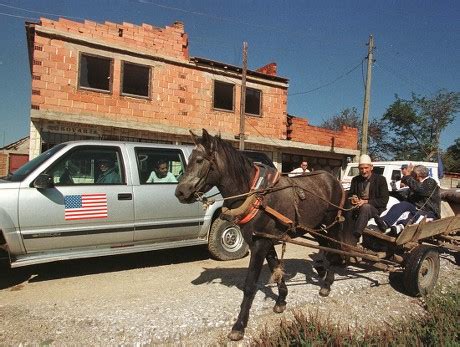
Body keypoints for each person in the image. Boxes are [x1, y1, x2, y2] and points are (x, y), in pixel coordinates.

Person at [374, 164, 440, 235]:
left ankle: (399, 227)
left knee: (414, 215)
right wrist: (386, 193)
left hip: (429, 211)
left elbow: (419, 190)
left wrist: (408, 176)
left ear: (417, 174)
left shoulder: (430, 181)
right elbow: (403, 195)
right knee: (402, 204)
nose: (411, 175)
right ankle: (385, 223)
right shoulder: (416, 184)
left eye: (412, 173)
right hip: (416, 208)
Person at [347, 154, 389, 239]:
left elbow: (384, 200)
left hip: (375, 209)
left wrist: (366, 201)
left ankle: (357, 233)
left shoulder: (380, 179)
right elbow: (350, 194)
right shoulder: (355, 180)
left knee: (366, 207)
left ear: (371, 167)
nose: (364, 171)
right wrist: (353, 198)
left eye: (366, 168)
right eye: (361, 168)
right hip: (358, 207)